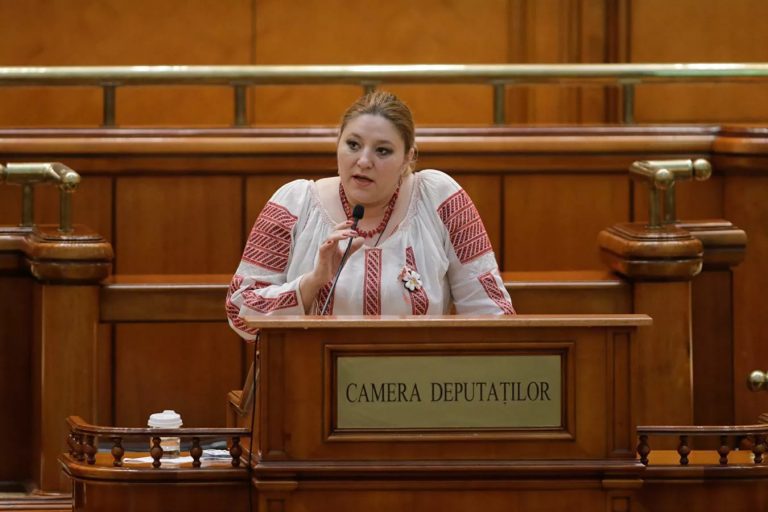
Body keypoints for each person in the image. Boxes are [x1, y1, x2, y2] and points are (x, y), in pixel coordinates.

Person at [226, 91, 514, 340]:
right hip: (309, 378)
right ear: (337, 143)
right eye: (353, 145)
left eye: (383, 151)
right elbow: (240, 314)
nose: (363, 161)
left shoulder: (441, 199)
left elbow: (492, 312)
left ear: (408, 157)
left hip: (416, 382)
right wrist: (311, 282)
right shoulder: (294, 203)